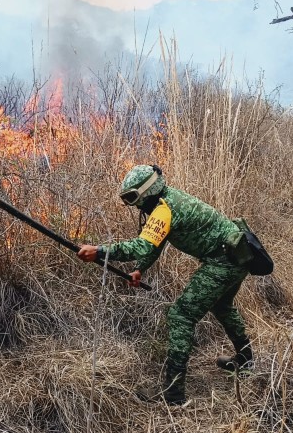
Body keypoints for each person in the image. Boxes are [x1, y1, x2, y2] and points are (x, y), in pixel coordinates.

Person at [77, 164, 254, 405]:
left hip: (224, 261)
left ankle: (173, 393)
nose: (134, 205)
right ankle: (245, 361)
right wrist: (141, 268)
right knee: (222, 306)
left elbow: (142, 245)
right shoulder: (168, 201)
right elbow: (157, 241)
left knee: (181, 315)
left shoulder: (163, 210)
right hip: (239, 255)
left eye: (133, 198)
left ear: (147, 191)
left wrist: (100, 251)